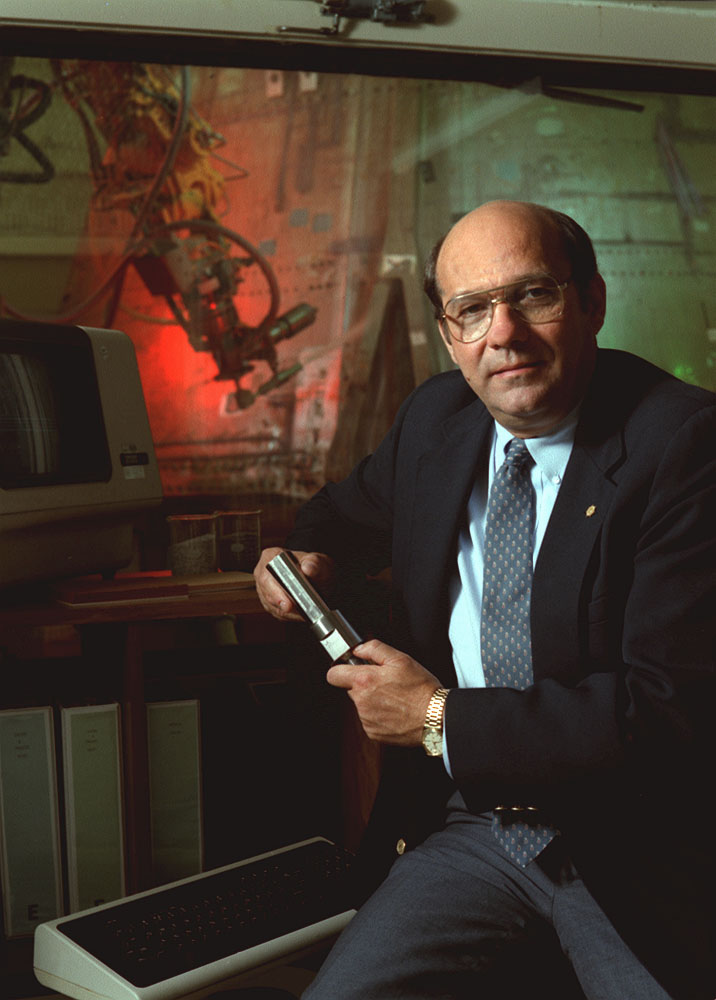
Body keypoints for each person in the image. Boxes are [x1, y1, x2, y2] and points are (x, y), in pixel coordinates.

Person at [254, 201, 715, 1000]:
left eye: (532, 294)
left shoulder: (685, 446)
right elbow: (338, 518)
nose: (503, 333)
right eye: (472, 309)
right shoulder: (438, 418)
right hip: (478, 823)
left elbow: (664, 713)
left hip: (635, 838)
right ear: (449, 334)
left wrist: (437, 719)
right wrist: (305, 562)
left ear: (592, 302)